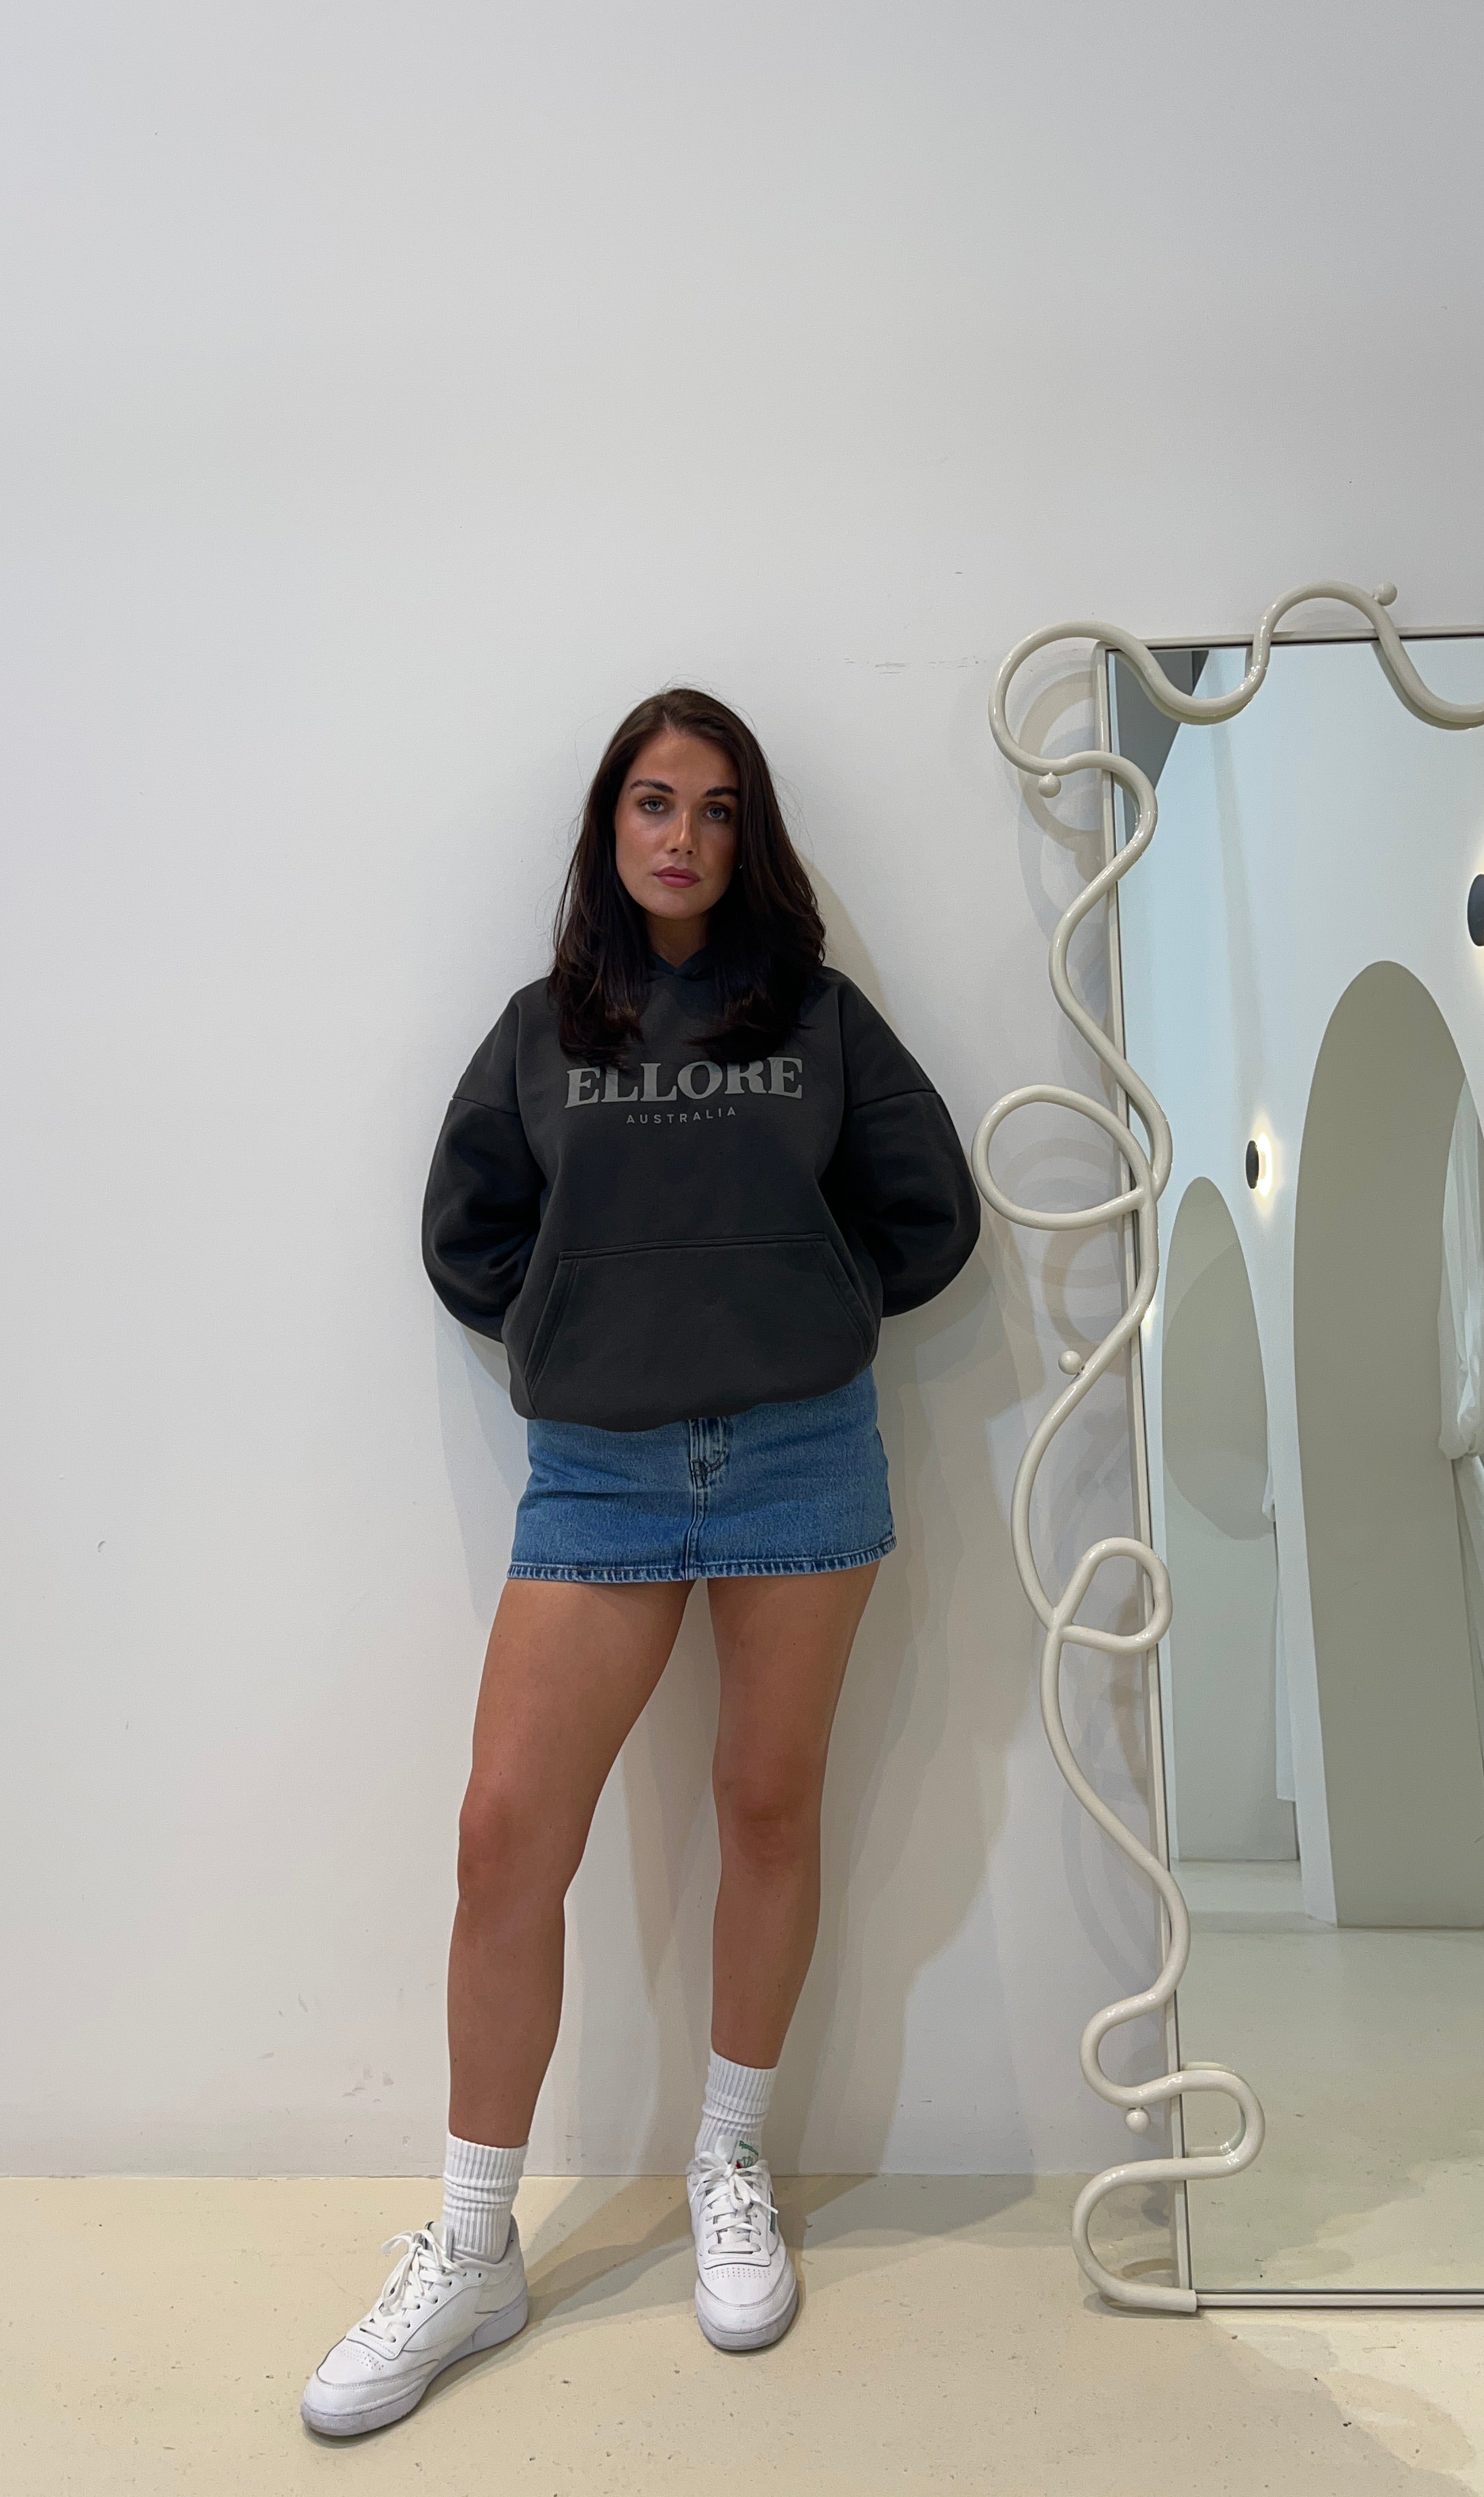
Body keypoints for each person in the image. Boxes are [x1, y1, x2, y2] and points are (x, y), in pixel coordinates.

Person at [301, 688, 979, 2437]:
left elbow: (932, 1214)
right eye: (655, 803)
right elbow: (468, 1234)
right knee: (503, 1835)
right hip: (599, 1475)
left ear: (754, 837)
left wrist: (801, 1303)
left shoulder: (817, 1018)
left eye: (719, 807)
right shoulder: (543, 1030)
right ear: (610, 827)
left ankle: (728, 2168)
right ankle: (474, 2245)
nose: (684, 836)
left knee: (767, 1807)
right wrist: (581, 1325)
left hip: (798, 1455)